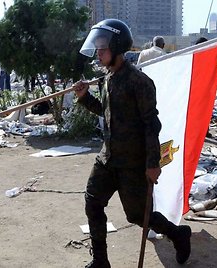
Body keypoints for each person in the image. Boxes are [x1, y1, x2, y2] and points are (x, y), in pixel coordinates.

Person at [73, 19, 191, 268]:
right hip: (108, 158)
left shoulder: (139, 82)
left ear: (117, 46)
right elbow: (106, 113)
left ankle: (178, 234)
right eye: (97, 47)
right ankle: (101, 261)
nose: (98, 52)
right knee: (93, 202)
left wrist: (152, 163)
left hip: (133, 162)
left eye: (102, 47)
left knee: (138, 215)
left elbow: (151, 125)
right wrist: (85, 98)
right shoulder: (106, 79)